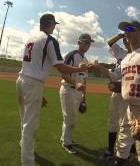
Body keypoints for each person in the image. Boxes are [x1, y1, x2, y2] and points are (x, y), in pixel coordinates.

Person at [91, 20, 140, 166]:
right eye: (124, 29)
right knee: (122, 146)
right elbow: (115, 76)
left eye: (129, 28)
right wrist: (99, 68)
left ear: (139, 33)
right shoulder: (126, 58)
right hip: (128, 108)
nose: (126, 31)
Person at [16, 13, 89, 166]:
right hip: (32, 83)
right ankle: (27, 162)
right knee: (31, 124)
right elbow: (60, 66)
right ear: (50, 24)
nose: (55, 26)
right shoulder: (49, 40)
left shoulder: (31, 37)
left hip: (22, 80)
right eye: (54, 24)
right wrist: (78, 69)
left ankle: (24, 146)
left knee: (24, 119)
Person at [99, 33, 136, 161]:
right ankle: (110, 150)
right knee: (112, 121)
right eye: (125, 39)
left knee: (127, 124)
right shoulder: (121, 52)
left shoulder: (138, 56)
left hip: (128, 94)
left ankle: (130, 152)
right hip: (116, 93)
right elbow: (109, 42)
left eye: (128, 37)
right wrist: (121, 35)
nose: (126, 40)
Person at [59, 33, 94, 154]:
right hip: (68, 90)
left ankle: (67, 139)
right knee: (69, 118)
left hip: (78, 93)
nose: (88, 45)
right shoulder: (71, 55)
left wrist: (84, 97)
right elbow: (63, 74)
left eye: (89, 43)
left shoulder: (85, 60)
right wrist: (75, 84)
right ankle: (66, 142)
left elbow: (84, 80)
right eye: (86, 42)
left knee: (74, 118)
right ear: (79, 42)